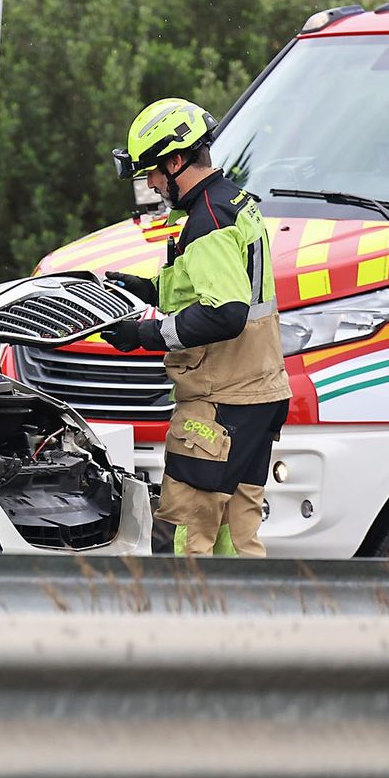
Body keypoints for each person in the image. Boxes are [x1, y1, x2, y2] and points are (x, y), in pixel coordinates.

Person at [100, 97, 290, 556]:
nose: (151, 184)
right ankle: (240, 605)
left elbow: (225, 311)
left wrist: (142, 336)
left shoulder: (207, 221)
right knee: (238, 538)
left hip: (218, 401)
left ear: (175, 161)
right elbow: (217, 285)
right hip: (258, 395)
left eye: (152, 172)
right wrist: (149, 290)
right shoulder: (232, 203)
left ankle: (186, 606)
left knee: (188, 536)